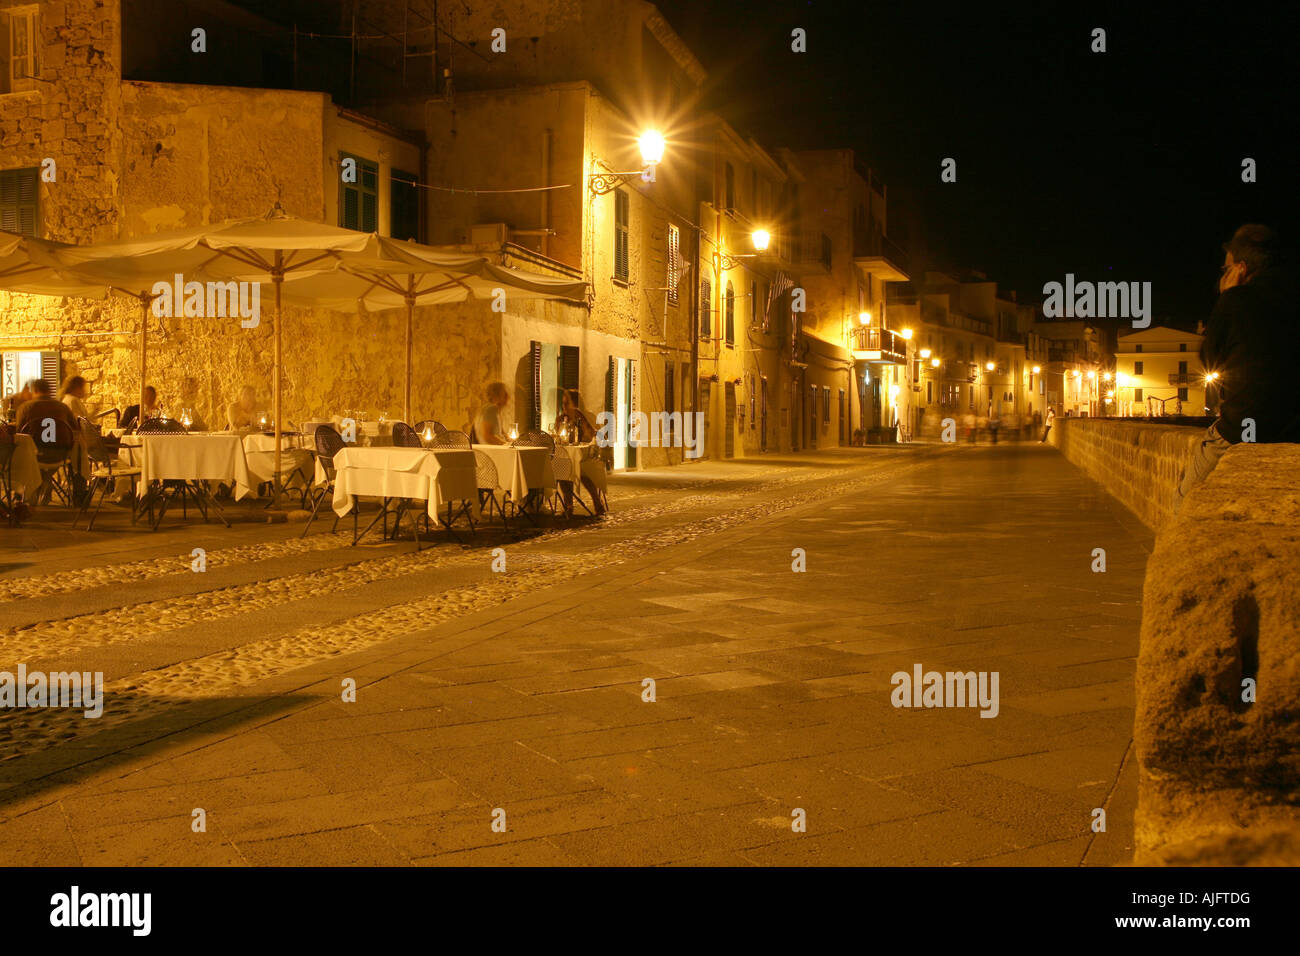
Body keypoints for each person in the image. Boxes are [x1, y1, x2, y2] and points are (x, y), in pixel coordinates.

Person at [1176, 224, 1300, 508]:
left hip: (1242, 429)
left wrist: (1225, 297)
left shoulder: (1236, 300)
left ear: (1241, 268)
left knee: (1185, 503)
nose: (1224, 275)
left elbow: (1210, 360)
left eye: (1226, 268)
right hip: (1294, 431)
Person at [554, 388, 607, 516]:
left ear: (574, 404)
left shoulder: (580, 416)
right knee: (563, 468)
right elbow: (558, 437)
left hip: (586, 456)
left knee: (582, 470)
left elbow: (591, 433)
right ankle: (568, 505)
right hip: (568, 455)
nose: (564, 406)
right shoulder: (560, 419)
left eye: (567, 403)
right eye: (563, 403)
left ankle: (596, 500)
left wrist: (595, 437)